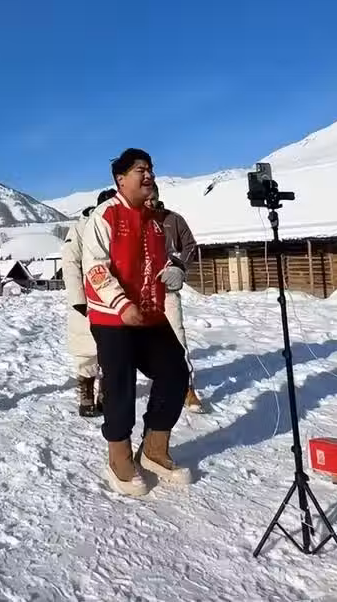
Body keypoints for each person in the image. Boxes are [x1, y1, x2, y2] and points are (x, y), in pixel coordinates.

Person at [82, 148, 191, 496]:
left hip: (150, 315)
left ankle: (155, 449)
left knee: (175, 372)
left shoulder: (155, 221)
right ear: (121, 178)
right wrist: (121, 303)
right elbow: (95, 268)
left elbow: (158, 262)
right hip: (112, 318)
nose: (149, 175)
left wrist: (174, 271)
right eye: (141, 170)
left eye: (151, 169)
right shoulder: (105, 215)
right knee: (120, 386)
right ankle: (119, 457)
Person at [146, 183, 204, 413]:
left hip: (167, 290)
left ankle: (187, 388)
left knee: (177, 338)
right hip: (140, 292)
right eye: (145, 198)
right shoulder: (133, 219)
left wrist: (179, 266)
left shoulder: (173, 219)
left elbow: (190, 245)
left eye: (152, 197)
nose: (149, 202)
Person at [62, 188, 117, 417]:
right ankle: (86, 392)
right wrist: (78, 299)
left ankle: (106, 391)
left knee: (112, 348)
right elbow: (70, 262)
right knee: (86, 347)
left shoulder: (121, 226)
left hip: (115, 296)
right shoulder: (80, 227)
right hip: (87, 297)